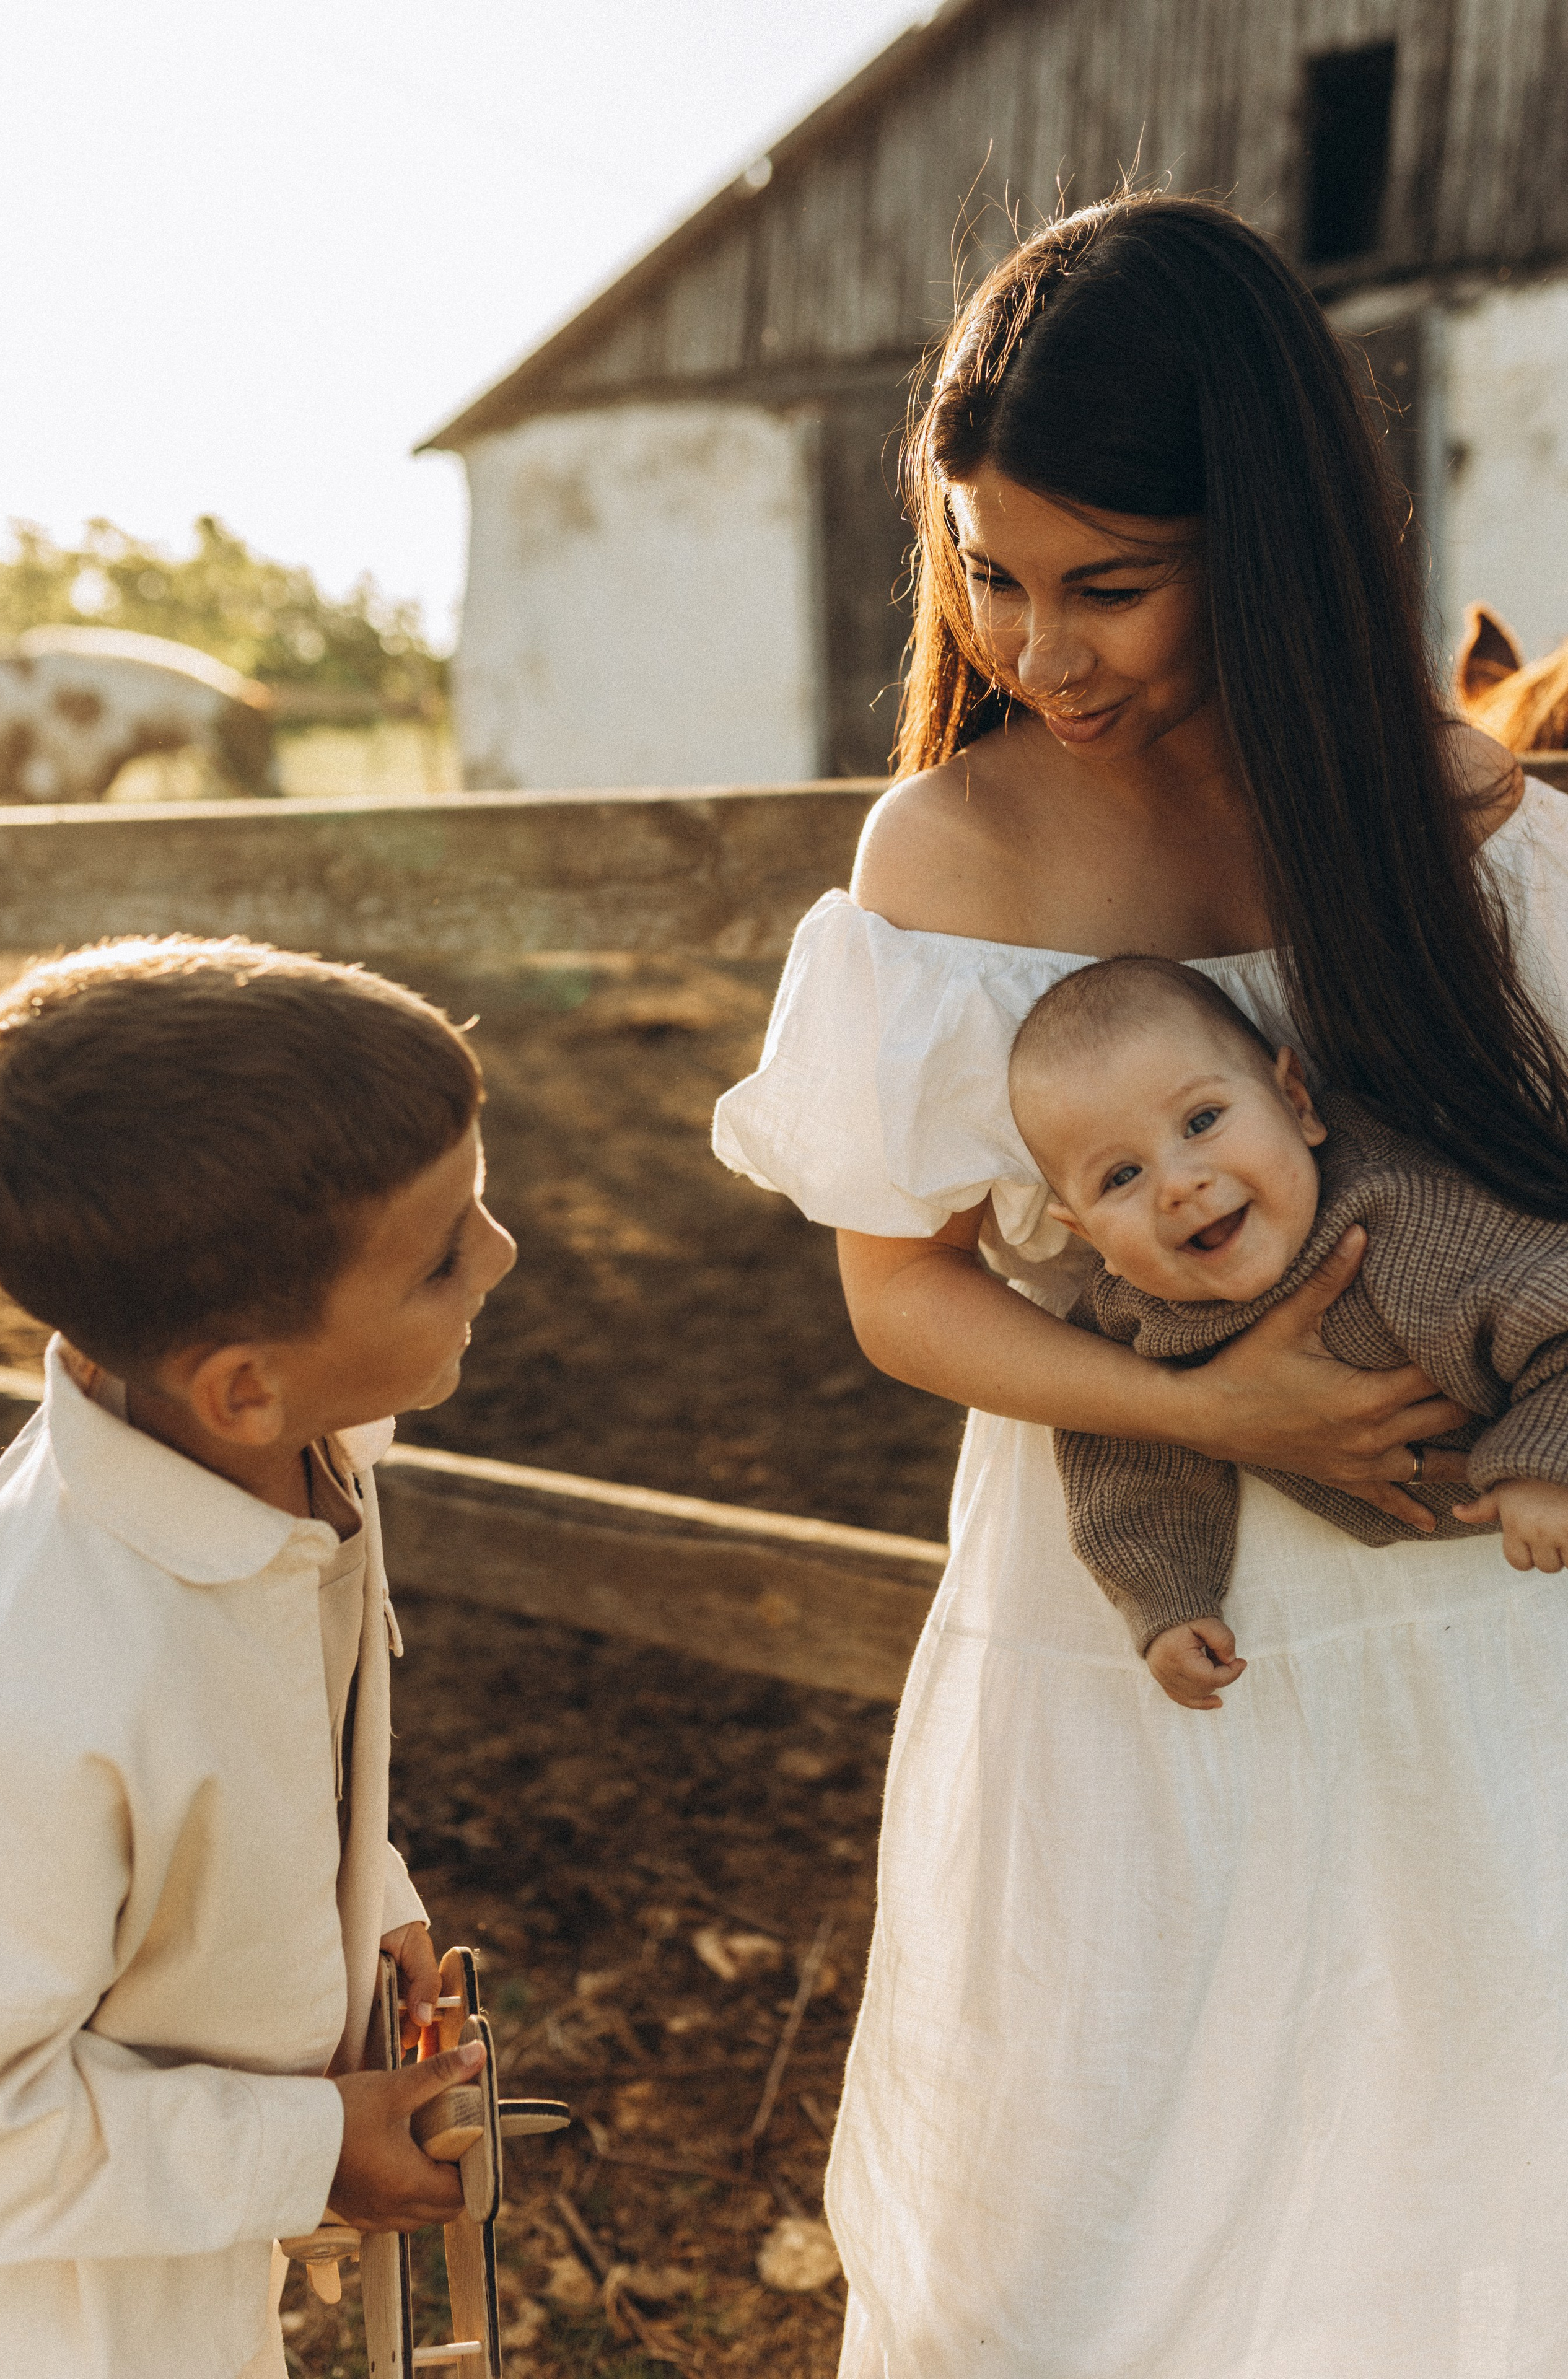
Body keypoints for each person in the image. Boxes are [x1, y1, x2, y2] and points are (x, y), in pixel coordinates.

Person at [713, 191, 1568, 2376]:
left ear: (1266, 542)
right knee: (1094, 2212)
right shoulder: (949, 860)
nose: (1037, 643)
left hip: (1481, 1640)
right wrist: (1225, 1414)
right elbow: (895, 1297)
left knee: (1456, 2171)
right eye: (986, 569)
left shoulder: (1481, 829)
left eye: (1112, 583)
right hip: (1139, 1644)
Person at [0, 937, 516, 2379]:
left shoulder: (261, 1444)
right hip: (63, 2317)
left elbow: (268, 1728)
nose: (504, 1254)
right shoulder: (39, 1683)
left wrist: (370, 1901)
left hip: (181, 2255)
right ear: (241, 1380)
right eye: (444, 1251)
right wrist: (309, 2146)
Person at [1005, 953, 1568, 1708]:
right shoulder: (1131, 1314)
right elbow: (1122, 1451)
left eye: (1201, 1122)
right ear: (1087, 1236)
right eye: (1121, 1177)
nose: (1179, 1184)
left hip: (1531, 1551)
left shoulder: (1401, 1213)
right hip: (1359, 1613)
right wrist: (1167, 1597)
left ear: (1296, 1101)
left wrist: (1543, 1463)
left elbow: (1554, 1310)